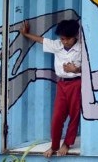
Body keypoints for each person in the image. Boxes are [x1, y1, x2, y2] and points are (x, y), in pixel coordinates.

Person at [19, 19, 81, 157]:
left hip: (76, 84)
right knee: (57, 117)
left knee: (75, 115)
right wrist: (26, 34)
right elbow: (41, 40)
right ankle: (54, 146)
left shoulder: (82, 49)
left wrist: (76, 70)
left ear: (75, 36)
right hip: (62, 84)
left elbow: (88, 68)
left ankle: (67, 143)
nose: (65, 42)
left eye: (68, 39)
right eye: (62, 38)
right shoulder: (57, 45)